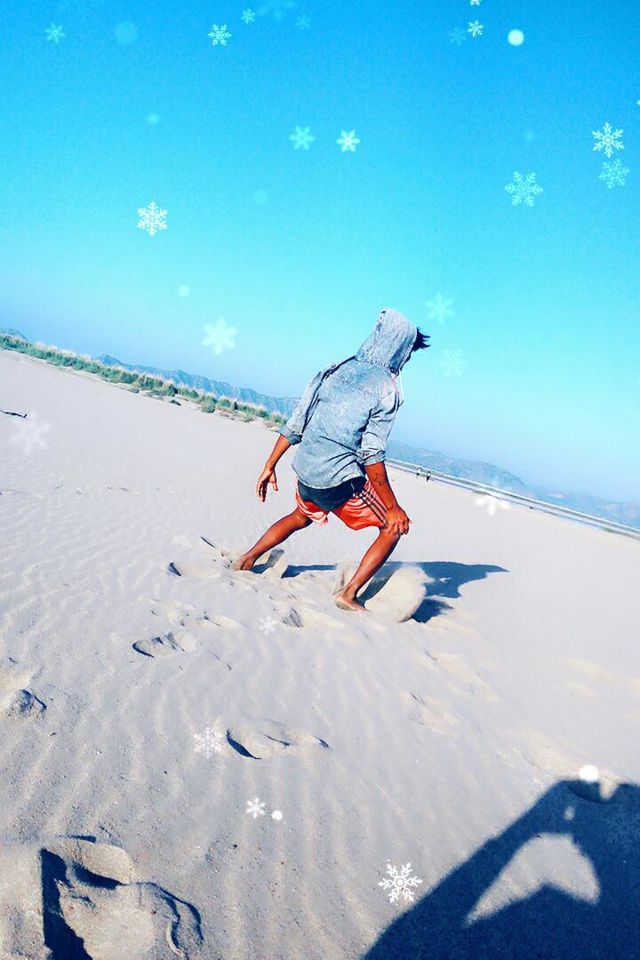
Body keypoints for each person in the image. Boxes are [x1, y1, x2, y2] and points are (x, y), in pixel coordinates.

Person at [232, 308, 430, 611]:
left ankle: (248, 559)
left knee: (300, 517)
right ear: (399, 348)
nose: (406, 360)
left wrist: (269, 465)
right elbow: (371, 454)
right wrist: (393, 508)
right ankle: (348, 594)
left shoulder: (335, 369)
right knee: (393, 527)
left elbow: (297, 422)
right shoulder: (386, 389)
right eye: (408, 353)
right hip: (337, 480)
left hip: (306, 470)